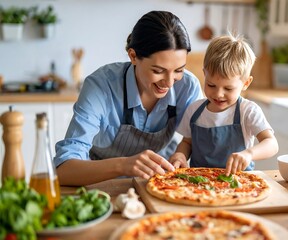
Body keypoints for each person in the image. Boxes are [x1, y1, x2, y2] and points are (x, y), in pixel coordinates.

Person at [54, 11, 203, 186]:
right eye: (158, 71)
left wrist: (181, 155)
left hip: (159, 183)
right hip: (101, 184)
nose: (170, 82)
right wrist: (124, 165)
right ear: (133, 56)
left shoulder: (187, 86)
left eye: (178, 70)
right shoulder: (101, 86)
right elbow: (63, 170)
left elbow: (198, 138)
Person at [169, 34, 279, 175]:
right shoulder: (195, 110)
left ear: (246, 83)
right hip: (197, 183)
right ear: (204, 74)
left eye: (228, 88)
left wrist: (249, 154)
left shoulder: (248, 111)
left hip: (239, 183)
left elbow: (271, 143)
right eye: (211, 85)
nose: (218, 94)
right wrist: (180, 154)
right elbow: (187, 143)